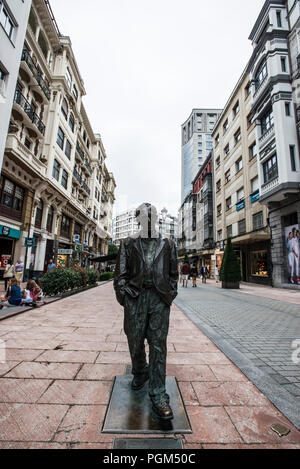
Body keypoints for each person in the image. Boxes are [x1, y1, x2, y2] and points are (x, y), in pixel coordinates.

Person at [114, 203, 178, 421]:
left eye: (152, 216)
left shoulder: (168, 243)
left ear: (156, 219)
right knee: (135, 339)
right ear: (138, 219)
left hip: (159, 298)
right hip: (135, 297)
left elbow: (173, 273)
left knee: (158, 344)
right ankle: (140, 370)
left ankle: (159, 393)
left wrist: (169, 294)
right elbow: (120, 274)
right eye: (145, 216)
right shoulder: (128, 243)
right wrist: (124, 295)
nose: (149, 220)